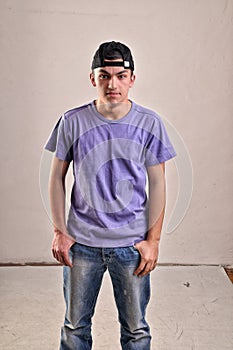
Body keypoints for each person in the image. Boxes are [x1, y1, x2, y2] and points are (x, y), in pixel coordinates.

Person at [44, 41, 176, 350]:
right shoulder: (72, 121)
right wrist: (59, 232)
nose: (112, 83)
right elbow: (55, 179)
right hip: (82, 245)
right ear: (93, 78)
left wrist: (153, 241)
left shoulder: (149, 123)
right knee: (75, 327)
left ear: (132, 78)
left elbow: (158, 185)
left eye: (120, 75)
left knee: (136, 330)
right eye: (104, 75)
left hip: (130, 246)